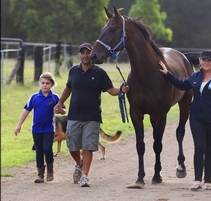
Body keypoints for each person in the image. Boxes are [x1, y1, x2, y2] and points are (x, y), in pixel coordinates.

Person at [54, 42, 129, 187]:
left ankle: (85, 176)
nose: (85, 55)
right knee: (72, 146)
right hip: (74, 115)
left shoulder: (99, 73)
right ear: (79, 55)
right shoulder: (73, 71)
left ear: (91, 54)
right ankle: (78, 164)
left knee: (88, 147)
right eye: (82, 52)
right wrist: (60, 103)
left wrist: (121, 90)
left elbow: (110, 90)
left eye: (88, 52)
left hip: (92, 117)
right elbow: (68, 88)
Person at [159, 50, 211, 190]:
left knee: (209, 149)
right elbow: (181, 84)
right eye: (203, 60)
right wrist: (167, 73)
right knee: (199, 148)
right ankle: (197, 180)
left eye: (209, 60)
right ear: (199, 61)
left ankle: (208, 181)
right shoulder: (195, 77)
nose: (206, 62)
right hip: (197, 118)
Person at [14, 72, 66, 183]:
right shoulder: (34, 97)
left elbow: (63, 110)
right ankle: (40, 174)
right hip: (36, 129)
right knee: (39, 151)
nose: (45, 85)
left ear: (52, 84)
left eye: (47, 83)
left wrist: (60, 110)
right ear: (39, 84)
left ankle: (50, 170)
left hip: (49, 129)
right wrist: (19, 125)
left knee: (47, 149)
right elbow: (26, 111)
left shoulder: (55, 97)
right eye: (42, 83)